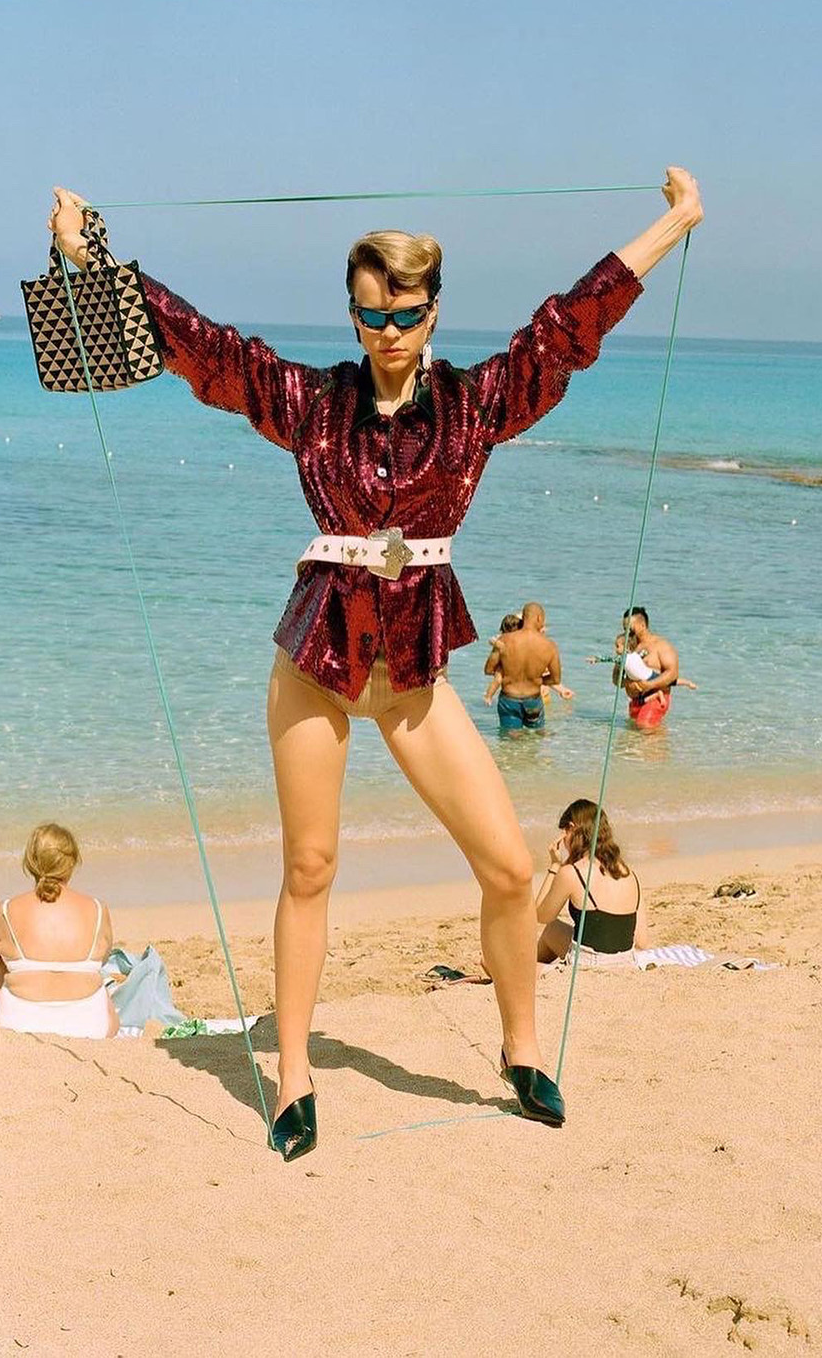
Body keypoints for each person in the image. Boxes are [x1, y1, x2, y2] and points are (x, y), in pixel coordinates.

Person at [50, 165, 703, 1159]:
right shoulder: (312, 401)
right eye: (369, 314)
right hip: (316, 659)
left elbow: (569, 327)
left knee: (509, 866)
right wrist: (91, 256)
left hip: (412, 676)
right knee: (310, 866)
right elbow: (205, 348)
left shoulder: (477, 403)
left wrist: (675, 222)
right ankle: (294, 1071)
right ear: (352, 313)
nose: (387, 331)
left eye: (403, 313)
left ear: (433, 309)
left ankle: (522, 1048)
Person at [0, 823, 119, 1038]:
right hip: (93, 1029)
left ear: (30, 862)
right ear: (72, 863)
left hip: (17, 1027)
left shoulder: (6, 910)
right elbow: (104, 958)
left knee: (3, 954)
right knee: (92, 967)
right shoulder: (98, 909)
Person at [535, 799, 650, 961]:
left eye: (564, 832)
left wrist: (555, 865)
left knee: (550, 929)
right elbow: (642, 942)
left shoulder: (572, 873)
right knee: (556, 931)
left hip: (590, 962)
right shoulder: (630, 875)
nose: (563, 840)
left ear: (572, 828)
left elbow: (541, 915)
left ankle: (529, 967)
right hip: (626, 961)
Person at [483, 601, 572, 730]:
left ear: (523, 618)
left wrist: (507, 673)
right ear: (539, 618)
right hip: (533, 700)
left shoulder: (504, 640)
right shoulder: (550, 646)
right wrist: (536, 680)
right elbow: (555, 679)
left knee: (510, 737)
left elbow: (488, 669)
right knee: (536, 736)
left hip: (509, 699)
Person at [614, 607, 680, 729]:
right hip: (636, 701)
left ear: (643, 625)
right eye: (624, 628)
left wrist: (649, 685)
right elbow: (616, 682)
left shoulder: (661, 645)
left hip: (656, 698)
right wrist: (621, 669)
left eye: (630, 628)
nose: (627, 632)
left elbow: (673, 674)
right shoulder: (628, 647)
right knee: (635, 735)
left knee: (645, 727)